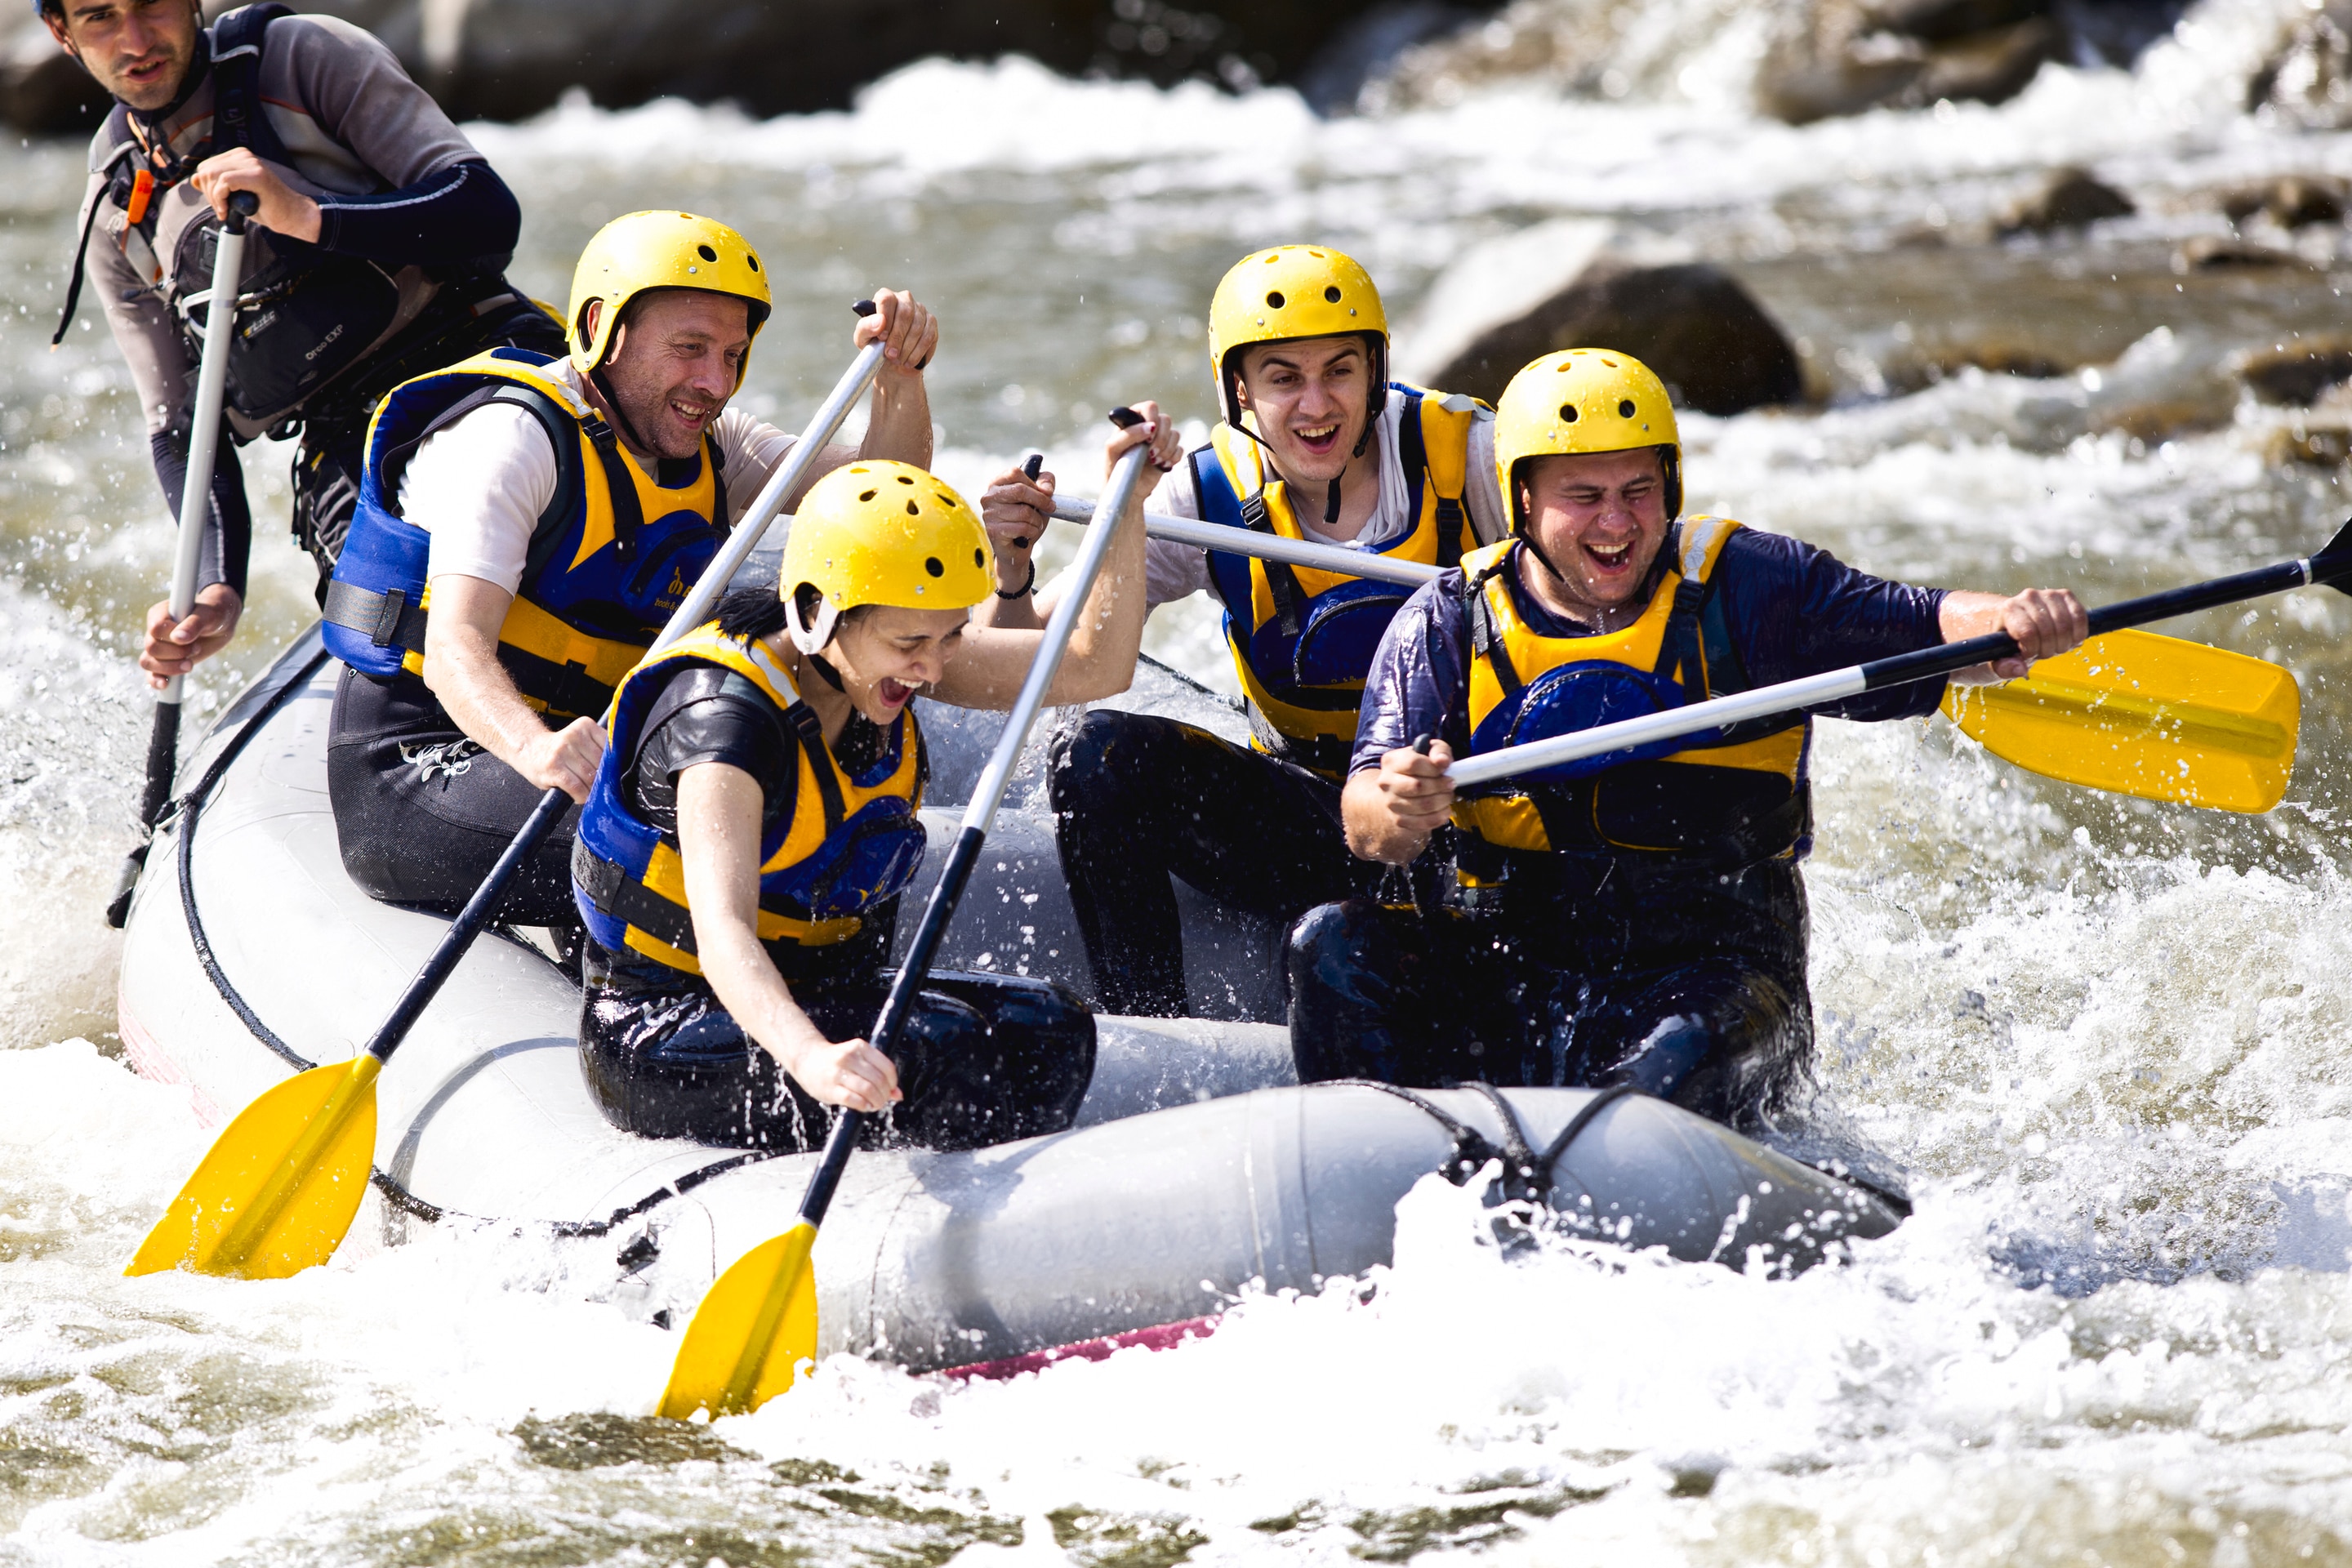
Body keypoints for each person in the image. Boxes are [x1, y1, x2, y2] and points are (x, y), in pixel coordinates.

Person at [1292, 348, 2090, 1129]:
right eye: (1584, 495)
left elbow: (1928, 624)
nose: (1616, 523)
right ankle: (1373, 1159)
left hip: (1714, 978)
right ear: (1523, 499)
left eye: (1639, 490)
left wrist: (2009, 622)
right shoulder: (1446, 620)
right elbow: (1367, 823)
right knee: (1332, 945)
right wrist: (1402, 804)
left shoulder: (1748, 587)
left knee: (1674, 1055)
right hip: (1514, 972)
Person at [572, 411, 1182, 1151]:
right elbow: (725, 933)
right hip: (667, 1025)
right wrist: (812, 1060)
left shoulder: (877, 658)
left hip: (818, 993)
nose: (932, 668)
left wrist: (1130, 504)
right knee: (936, 1048)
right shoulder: (722, 727)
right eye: (910, 643)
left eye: (950, 636)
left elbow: (1094, 667)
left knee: (1047, 1026)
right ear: (814, 614)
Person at [321, 209, 939, 927]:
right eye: (689, 348)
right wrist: (538, 750)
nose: (714, 382)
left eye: (733, 355)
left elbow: (879, 499)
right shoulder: (513, 440)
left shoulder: (711, 443)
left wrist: (901, 377)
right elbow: (456, 649)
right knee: (723, 842)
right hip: (425, 764)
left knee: (811, 815)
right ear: (599, 331)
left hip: (585, 755)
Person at [977, 245, 1507, 1016]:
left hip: (1469, 821)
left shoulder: (1473, 454)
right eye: (1283, 378)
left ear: (1378, 370)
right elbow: (1033, 664)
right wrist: (1012, 567)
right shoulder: (1206, 492)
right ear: (1241, 392)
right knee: (1095, 754)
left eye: (1339, 371)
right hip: (1315, 820)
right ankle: (1149, 1023)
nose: (1316, 405)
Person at [42, 0, 566, 685]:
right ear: (62, 34)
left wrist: (311, 218)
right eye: (101, 17)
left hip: (471, 351)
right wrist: (217, 586)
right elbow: (179, 428)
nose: (136, 40)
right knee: (392, 655)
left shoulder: (302, 59)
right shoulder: (116, 213)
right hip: (348, 442)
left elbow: (486, 211)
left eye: (153, 4)